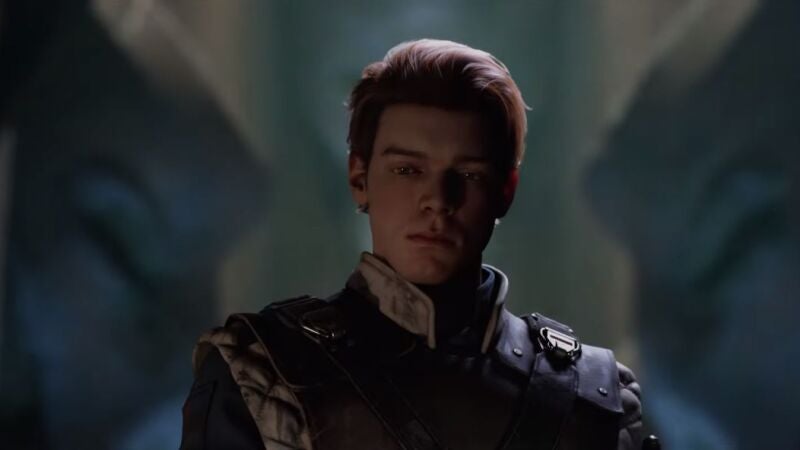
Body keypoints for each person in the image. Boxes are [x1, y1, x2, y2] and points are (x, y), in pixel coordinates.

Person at [180, 39, 646, 450]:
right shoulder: (264, 370)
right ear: (359, 178)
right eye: (408, 170)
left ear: (505, 191)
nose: (438, 201)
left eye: (468, 174)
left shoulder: (591, 392)